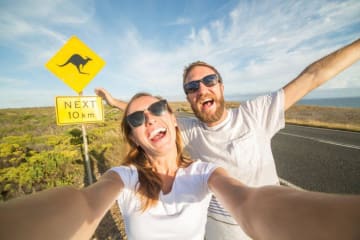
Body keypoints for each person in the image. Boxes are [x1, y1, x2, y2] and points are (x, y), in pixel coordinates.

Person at [95, 38, 360, 239]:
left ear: (221, 86)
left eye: (209, 80)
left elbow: (312, 77)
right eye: (192, 87)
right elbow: (151, 120)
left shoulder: (254, 114)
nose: (202, 88)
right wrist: (115, 102)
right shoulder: (184, 129)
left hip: (269, 227)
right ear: (188, 98)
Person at [0, 93, 359, 240]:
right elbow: (83, 205)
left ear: (173, 120)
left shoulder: (203, 172)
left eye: (157, 110)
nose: (149, 119)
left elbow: (251, 204)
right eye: (137, 118)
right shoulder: (124, 178)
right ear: (134, 137)